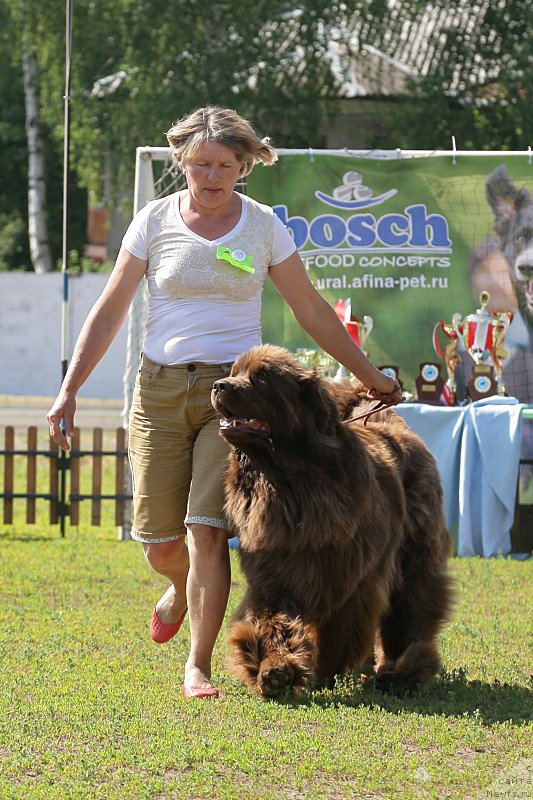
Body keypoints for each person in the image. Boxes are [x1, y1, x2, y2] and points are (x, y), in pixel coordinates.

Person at [47, 106, 402, 699]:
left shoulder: (263, 226)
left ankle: (198, 665)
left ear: (243, 167)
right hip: (159, 388)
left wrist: (371, 377)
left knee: (207, 532)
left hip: (236, 399)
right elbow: (109, 311)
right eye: (200, 164)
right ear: (182, 162)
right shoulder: (152, 221)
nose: (211, 177)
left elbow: (310, 309)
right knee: (160, 544)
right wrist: (69, 389)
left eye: (225, 166)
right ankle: (179, 588)